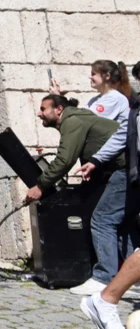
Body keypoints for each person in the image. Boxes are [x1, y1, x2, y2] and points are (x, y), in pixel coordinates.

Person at [57, 61, 134, 297]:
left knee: (103, 220)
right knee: (121, 223)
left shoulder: (114, 100)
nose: (90, 78)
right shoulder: (96, 101)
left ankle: (105, 277)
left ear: (107, 76)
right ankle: (131, 278)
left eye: (94, 74)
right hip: (107, 169)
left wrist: (62, 107)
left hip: (117, 169)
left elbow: (85, 122)